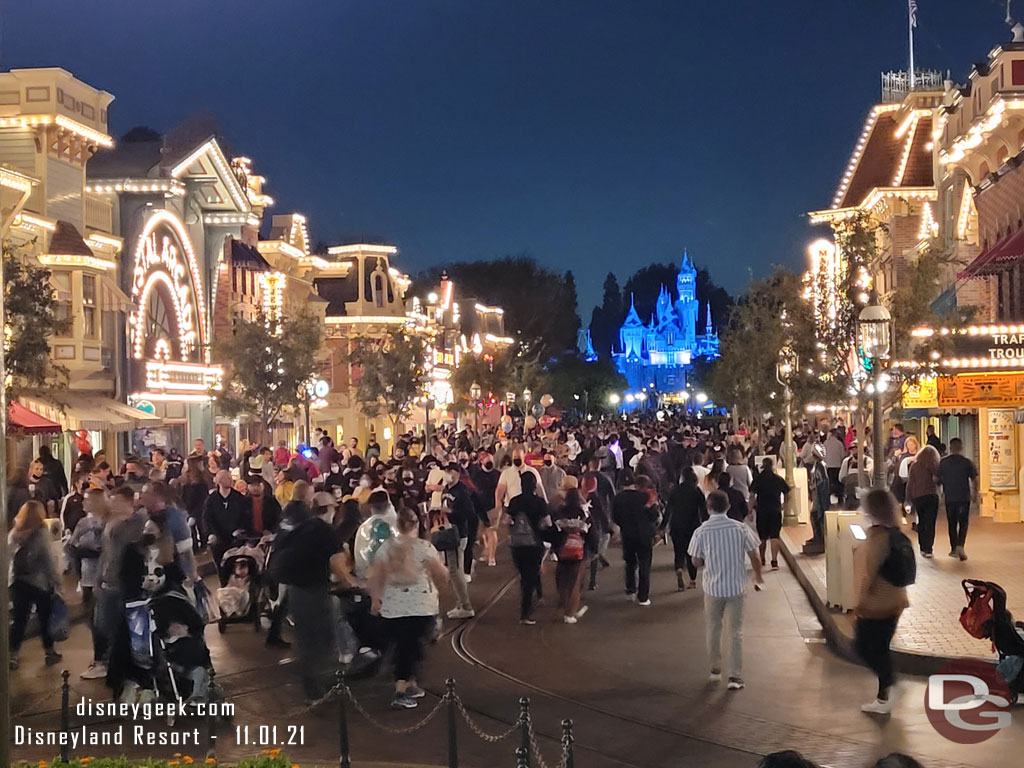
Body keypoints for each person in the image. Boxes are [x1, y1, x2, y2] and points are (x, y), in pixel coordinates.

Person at [368, 506, 449, 709]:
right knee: (412, 648)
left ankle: (410, 684)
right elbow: (441, 575)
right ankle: (401, 690)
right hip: (421, 607)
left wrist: (375, 599)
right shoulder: (425, 547)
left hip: (393, 607)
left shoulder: (385, 548)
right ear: (417, 525)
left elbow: (376, 576)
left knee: (405, 646)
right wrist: (441, 586)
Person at [270, 488, 347, 702]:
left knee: (307, 641)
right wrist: (351, 581)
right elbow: (337, 562)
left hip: (296, 592)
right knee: (323, 641)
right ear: (328, 509)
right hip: (314, 592)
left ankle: (312, 686)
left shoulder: (303, 526)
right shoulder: (325, 530)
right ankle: (316, 690)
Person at [688, 490, 762, 691]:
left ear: (708, 507)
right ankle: (735, 677)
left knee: (713, 628)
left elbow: (695, 561)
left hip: (712, 588)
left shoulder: (701, 531)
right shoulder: (740, 528)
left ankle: (715, 670)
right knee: (736, 632)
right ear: (728, 507)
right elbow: (754, 555)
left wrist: (703, 561)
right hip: (736, 587)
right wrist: (758, 576)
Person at [854, 489, 910, 715]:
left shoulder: (877, 537)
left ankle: (892, 684)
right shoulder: (896, 533)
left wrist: (858, 602)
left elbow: (868, 573)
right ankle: (882, 697)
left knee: (863, 647)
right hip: (897, 601)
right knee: (881, 648)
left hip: (876, 604)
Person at [85, 486, 146, 682]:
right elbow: (106, 554)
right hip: (107, 581)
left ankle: (119, 664)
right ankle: (111, 661)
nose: (112, 502)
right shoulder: (110, 522)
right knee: (102, 624)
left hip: (123, 582)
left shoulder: (136, 523)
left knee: (117, 626)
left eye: (116, 499)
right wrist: (98, 579)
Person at [8, 501, 63, 669]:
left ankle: (13, 655)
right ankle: (49, 652)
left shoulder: (14, 533)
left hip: (18, 582)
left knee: (19, 620)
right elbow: (48, 561)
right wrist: (57, 583)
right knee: (44, 619)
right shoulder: (41, 533)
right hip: (39, 583)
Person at [507, 471, 551, 625]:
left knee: (524, 574)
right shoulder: (539, 502)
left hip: (517, 545)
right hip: (534, 544)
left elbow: (508, 521)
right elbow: (547, 523)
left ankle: (537, 595)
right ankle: (525, 612)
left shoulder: (514, 501)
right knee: (531, 574)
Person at [612, 475, 661, 606]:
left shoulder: (617, 499)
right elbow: (653, 515)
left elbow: (615, 518)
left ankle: (630, 590)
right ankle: (643, 597)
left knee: (630, 562)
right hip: (644, 534)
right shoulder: (644, 497)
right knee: (644, 563)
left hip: (627, 535)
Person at [552, 479, 591, 623]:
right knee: (575, 582)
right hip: (579, 552)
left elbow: (554, 530)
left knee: (562, 580)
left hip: (563, 551)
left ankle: (564, 604)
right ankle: (570, 613)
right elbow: (591, 531)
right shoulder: (583, 512)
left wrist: (555, 548)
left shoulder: (560, 511)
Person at [440, 464, 475, 619]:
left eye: (450, 472)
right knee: (456, 570)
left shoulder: (462, 492)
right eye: (446, 471)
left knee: (455, 570)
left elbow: (470, 514)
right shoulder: (446, 489)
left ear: (457, 474)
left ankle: (466, 605)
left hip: (458, 534)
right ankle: (461, 603)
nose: (447, 474)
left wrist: (451, 513)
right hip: (449, 533)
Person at [936, 437, 977, 561]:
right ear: (961, 448)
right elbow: (975, 479)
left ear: (950, 447)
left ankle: (953, 548)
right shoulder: (967, 462)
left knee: (952, 523)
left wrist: (943, 485)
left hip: (950, 497)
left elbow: (936, 479)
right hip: (964, 497)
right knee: (963, 522)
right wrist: (975, 493)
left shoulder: (943, 462)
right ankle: (961, 545)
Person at [666, 467, 706, 590]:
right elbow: (703, 510)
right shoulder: (697, 491)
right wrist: (706, 523)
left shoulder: (675, 490)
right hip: (692, 526)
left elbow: (668, 510)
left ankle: (679, 569)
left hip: (676, 525)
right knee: (691, 554)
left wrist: (663, 526)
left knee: (679, 552)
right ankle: (692, 581)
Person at [202, 469, 251, 570]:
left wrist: (241, 529)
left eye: (230, 477)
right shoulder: (211, 499)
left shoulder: (239, 498)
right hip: (218, 537)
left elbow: (246, 516)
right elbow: (206, 518)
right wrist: (211, 533)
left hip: (236, 539)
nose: (230, 480)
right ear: (219, 481)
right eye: (227, 478)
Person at [750, 458, 790, 570]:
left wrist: (749, 510)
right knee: (775, 536)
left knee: (762, 537)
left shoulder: (758, 479)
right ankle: (774, 561)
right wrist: (784, 504)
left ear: (762, 465)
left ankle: (762, 559)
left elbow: (752, 495)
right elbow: (787, 492)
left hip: (762, 510)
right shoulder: (778, 479)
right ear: (772, 466)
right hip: (775, 510)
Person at [905, 445, 940, 558]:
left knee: (922, 521)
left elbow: (910, 483)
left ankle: (922, 547)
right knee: (930, 523)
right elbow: (939, 481)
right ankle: (928, 548)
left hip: (918, 496)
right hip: (931, 496)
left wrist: (908, 499)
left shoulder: (914, 466)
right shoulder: (935, 467)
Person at [469, 451, 499, 567]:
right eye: (487, 460)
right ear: (481, 462)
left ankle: (492, 556)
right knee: (481, 532)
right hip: (479, 507)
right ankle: (486, 548)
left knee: (491, 531)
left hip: (493, 507)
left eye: (491, 460)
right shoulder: (476, 476)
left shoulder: (497, 474)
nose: (490, 463)